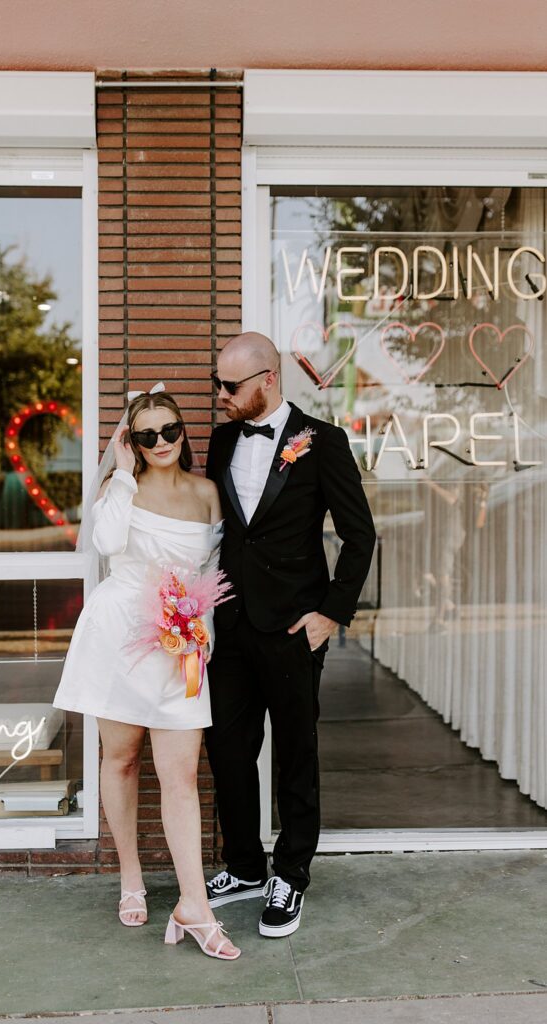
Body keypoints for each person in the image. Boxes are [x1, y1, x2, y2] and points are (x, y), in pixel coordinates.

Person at [52, 388, 240, 961]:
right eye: (146, 436)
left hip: (181, 644)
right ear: (131, 443)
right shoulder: (119, 490)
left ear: (183, 432)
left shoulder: (207, 493)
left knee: (181, 775)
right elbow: (105, 544)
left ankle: (193, 906)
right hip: (121, 635)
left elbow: (210, 571)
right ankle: (130, 876)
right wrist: (125, 474)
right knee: (122, 757)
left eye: (169, 431)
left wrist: (200, 635)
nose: (161, 443)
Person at [205, 332, 377, 938]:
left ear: (269, 380)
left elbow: (361, 536)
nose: (222, 397)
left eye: (231, 386)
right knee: (227, 751)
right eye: (217, 384)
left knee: (296, 755)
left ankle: (291, 874)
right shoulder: (222, 440)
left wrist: (331, 614)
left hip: (293, 628)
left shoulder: (323, 442)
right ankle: (246, 866)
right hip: (229, 625)